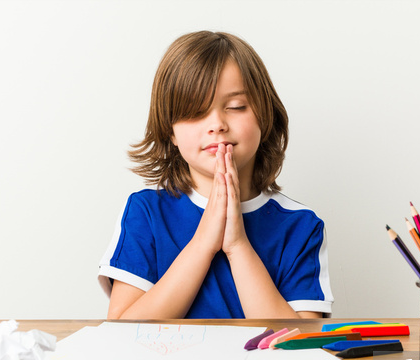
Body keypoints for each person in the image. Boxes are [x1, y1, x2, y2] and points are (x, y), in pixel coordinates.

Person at [98, 31, 333, 319]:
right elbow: (121, 330)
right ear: (169, 130)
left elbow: (302, 342)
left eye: (236, 107)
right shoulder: (145, 212)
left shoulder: (301, 225)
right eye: (196, 111)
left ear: (265, 115)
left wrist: (238, 246)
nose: (217, 124)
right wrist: (203, 244)